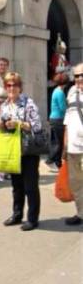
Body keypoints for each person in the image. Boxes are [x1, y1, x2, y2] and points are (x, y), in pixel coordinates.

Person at [0, 72, 42, 231]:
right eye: (8, 85)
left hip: (28, 151)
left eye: (14, 85)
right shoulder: (4, 105)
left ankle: (33, 218)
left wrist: (19, 123)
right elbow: (2, 125)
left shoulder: (28, 104)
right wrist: (1, 124)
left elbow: (37, 127)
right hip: (12, 150)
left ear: (20, 87)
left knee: (30, 186)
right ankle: (17, 215)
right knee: (17, 186)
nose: (11, 88)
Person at [63, 62, 83, 225]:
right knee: (76, 183)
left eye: (82, 75)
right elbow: (68, 120)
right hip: (73, 147)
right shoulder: (71, 92)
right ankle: (81, 213)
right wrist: (65, 144)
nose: (79, 78)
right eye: (77, 75)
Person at [45, 71, 68, 170]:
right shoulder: (60, 92)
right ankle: (50, 160)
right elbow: (63, 108)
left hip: (54, 119)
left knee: (57, 141)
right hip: (58, 119)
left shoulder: (56, 90)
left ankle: (57, 163)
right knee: (58, 142)